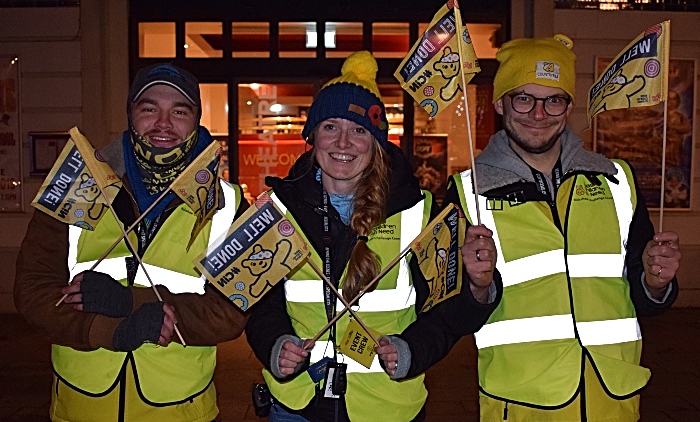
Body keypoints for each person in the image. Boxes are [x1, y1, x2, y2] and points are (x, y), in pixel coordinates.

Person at [383, 34, 682, 421]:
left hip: (613, 400)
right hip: (523, 404)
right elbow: (448, 312)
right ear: (500, 103)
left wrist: (655, 284)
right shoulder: (469, 194)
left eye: (553, 99)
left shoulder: (615, 181)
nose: (538, 114)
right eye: (523, 97)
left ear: (569, 106)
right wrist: (476, 287)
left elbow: (640, 292)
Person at [245, 51, 498, 422]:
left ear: (377, 142)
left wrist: (414, 348)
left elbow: (452, 313)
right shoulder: (277, 210)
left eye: (359, 130)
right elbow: (258, 303)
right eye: (331, 126)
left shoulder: (420, 213)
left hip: (387, 406)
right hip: (297, 402)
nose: (343, 143)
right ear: (312, 135)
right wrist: (275, 345)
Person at [14, 63, 249, 421]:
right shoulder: (78, 186)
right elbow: (33, 289)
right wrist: (109, 330)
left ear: (197, 120)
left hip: (177, 409)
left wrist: (130, 302)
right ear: (131, 115)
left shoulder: (227, 203)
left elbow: (232, 311)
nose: (164, 123)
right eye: (149, 108)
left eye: (179, 111)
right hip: (82, 407)